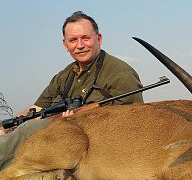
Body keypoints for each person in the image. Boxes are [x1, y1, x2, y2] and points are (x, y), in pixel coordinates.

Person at [0, 11, 144, 167]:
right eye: (73, 40)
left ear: (99, 39)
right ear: (65, 44)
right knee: (24, 127)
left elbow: (133, 125)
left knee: (31, 129)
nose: (80, 45)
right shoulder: (64, 75)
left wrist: (76, 119)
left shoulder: (121, 73)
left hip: (97, 149)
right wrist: (6, 126)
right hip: (62, 141)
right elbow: (37, 109)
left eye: (86, 38)